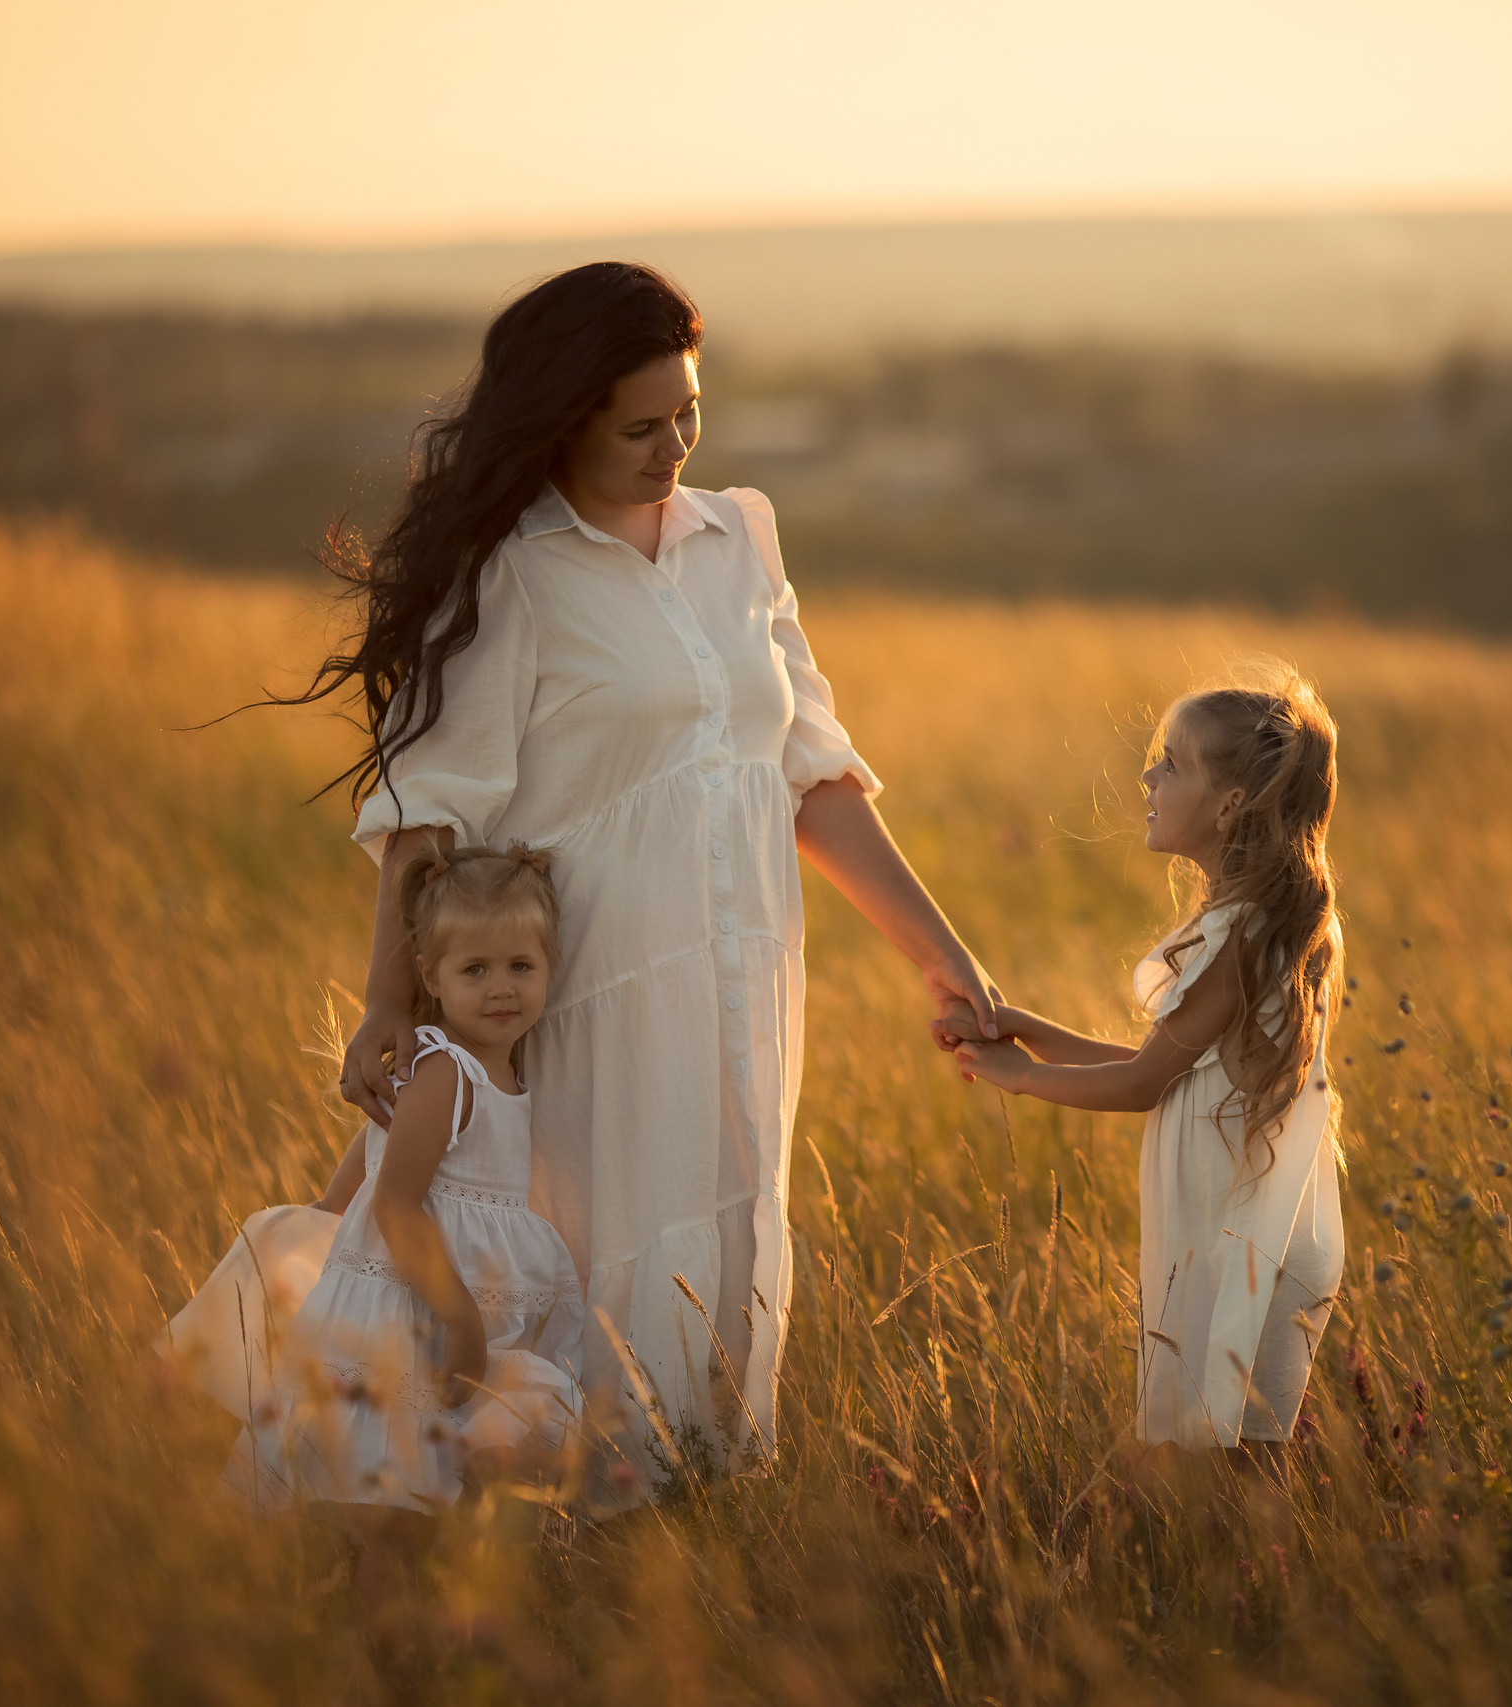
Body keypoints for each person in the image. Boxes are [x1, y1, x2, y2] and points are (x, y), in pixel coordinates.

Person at [294, 262, 997, 1483]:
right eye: (639, 425)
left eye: (689, 412)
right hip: (585, 1002)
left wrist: (944, 955)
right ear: (562, 419)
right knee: (600, 1265)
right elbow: (427, 821)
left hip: (740, 986)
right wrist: (386, 1007)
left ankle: (695, 1543)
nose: (673, 444)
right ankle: (579, 1554)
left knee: (724, 1252)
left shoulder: (742, 539)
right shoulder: (509, 575)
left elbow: (810, 775)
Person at [950, 672, 1346, 1452]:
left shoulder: (1242, 935)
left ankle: (1258, 1575)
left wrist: (1020, 1077)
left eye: (1171, 763)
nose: (1148, 776)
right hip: (1258, 1230)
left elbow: (1140, 1085)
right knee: (1243, 1461)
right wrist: (1030, 1031)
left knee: (1234, 1469)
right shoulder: (1265, 923)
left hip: (1242, 1238)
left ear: (1229, 805)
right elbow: (1170, 1069)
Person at [164, 843, 583, 1539]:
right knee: (376, 1494)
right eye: (475, 969)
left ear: (551, 967)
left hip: (462, 1299)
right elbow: (394, 1196)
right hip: (415, 1307)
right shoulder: (446, 1073)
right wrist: (460, 1319)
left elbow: (381, 1141)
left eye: (520, 966)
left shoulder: (504, 1071)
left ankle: (438, 1580)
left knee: (438, 1478)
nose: (501, 987)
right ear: (431, 976)